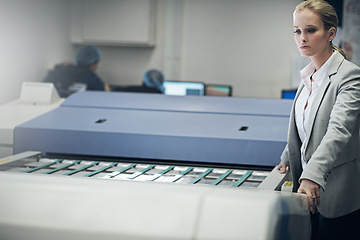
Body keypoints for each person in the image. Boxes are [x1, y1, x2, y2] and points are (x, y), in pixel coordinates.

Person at [276, 0, 360, 239]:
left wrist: (312, 174)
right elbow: (308, 127)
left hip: (337, 193)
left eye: (310, 30)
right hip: (306, 190)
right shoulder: (308, 75)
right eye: (297, 31)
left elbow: (338, 131)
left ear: (331, 33)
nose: (302, 37)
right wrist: (287, 155)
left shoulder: (350, 76)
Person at [44, 45, 109, 97]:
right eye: (96, 64)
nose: (96, 67)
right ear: (92, 63)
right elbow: (103, 98)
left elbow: (42, 89)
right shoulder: (92, 79)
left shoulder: (59, 71)